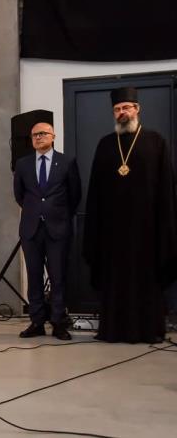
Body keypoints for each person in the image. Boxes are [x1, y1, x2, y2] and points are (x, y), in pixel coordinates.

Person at [83, 87, 177, 343]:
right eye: (117, 109)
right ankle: (113, 330)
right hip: (113, 233)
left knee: (145, 280)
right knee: (115, 281)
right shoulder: (105, 144)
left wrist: (165, 228)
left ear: (137, 109)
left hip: (147, 232)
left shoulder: (156, 142)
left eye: (126, 107)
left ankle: (148, 330)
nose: (122, 112)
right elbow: (95, 191)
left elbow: (166, 189)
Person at [13, 121, 81, 340]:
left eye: (43, 133)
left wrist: (56, 213)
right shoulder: (23, 164)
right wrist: (36, 211)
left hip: (58, 228)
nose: (38, 137)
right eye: (34, 135)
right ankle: (37, 321)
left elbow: (75, 195)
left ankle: (58, 322)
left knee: (58, 276)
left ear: (53, 136)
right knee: (34, 276)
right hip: (31, 229)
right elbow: (19, 195)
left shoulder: (66, 162)